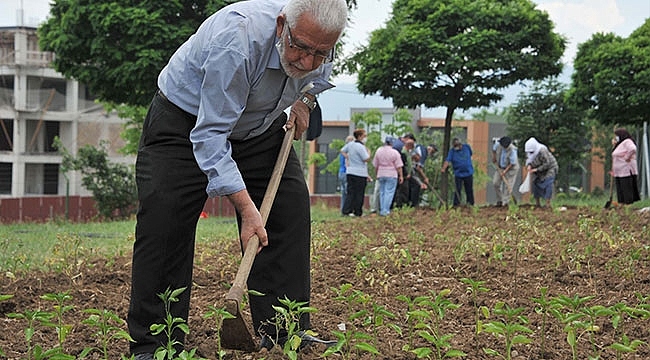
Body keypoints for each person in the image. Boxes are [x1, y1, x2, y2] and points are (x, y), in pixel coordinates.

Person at [126, 0, 348, 358]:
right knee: (165, 220)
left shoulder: (319, 38)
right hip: (185, 123)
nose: (307, 61)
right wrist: (246, 209)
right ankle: (156, 344)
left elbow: (316, 79)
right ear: (281, 25)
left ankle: (283, 331)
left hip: (260, 128)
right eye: (300, 48)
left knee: (288, 209)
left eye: (320, 53)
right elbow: (211, 135)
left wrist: (305, 101)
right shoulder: (237, 39)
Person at [340, 129, 371, 216]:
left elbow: (342, 150)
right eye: (364, 136)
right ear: (360, 136)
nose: (365, 138)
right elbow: (366, 158)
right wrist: (369, 153)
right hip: (360, 172)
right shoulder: (360, 147)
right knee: (359, 193)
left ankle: (346, 210)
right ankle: (357, 211)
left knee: (350, 192)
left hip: (350, 171)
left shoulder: (350, 144)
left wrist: (348, 158)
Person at [372, 136, 403, 216]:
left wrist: (376, 174)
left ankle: (382, 209)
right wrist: (401, 176)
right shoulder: (395, 152)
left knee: (382, 192)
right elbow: (399, 166)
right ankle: (386, 210)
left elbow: (375, 165)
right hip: (391, 174)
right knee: (389, 193)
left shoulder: (378, 151)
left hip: (381, 173)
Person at [524, 137, 558, 207]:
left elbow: (547, 163)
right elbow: (529, 160)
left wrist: (537, 169)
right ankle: (537, 203)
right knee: (536, 183)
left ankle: (547, 203)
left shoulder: (542, 150)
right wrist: (529, 165)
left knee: (548, 183)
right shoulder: (529, 152)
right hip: (538, 169)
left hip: (549, 168)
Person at [441, 138, 475, 206]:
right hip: (458, 174)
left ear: (460, 144)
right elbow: (448, 160)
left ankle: (470, 203)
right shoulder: (452, 151)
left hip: (468, 172)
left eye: (457, 145)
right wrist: (443, 168)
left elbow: (470, 154)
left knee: (469, 189)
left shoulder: (467, 147)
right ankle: (456, 204)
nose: (456, 147)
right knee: (457, 189)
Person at [611, 128, 640, 204]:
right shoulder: (619, 144)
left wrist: (626, 157)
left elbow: (633, 149)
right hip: (618, 171)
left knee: (626, 187)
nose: (615, 138)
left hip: (625, 170)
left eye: (616, 136)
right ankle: (622, 204)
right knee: (620, 189)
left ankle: (628, 203)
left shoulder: (627, 141)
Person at [491, 136, 519, 206]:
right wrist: (494, 157)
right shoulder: (498, 144)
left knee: (508, 186)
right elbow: (494, 149)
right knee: (495, 183)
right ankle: (499, 200)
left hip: (511, 169)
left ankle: (505, 202)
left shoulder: (513, 150)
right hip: (500, 167)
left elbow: (512, 163)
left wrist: (505, 171)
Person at [338, 135, 354, 211]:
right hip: (346, 172)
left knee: (343, 192)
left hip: (341, 172)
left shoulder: (342, 151)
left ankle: (343, 208)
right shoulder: (348, 151)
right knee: (348, 192)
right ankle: (347, 209)